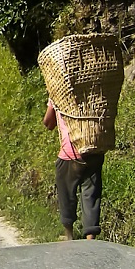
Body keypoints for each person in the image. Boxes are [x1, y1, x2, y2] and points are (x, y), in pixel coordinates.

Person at [43, 100, 104, 240]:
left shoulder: (59, 90)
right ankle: (90, 239)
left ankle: (69, 236)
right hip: (94, 150)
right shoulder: (94, 91)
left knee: (66, 193)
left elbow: (48, 123)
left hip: (70, 154)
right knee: (91, 195)